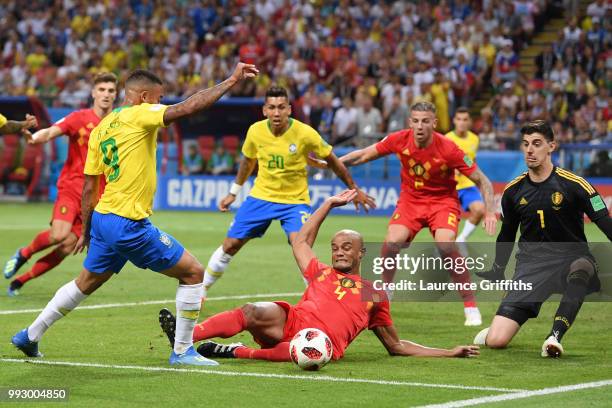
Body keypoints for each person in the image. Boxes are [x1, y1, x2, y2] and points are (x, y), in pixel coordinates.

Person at [10, 63, 259, 366]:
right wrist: (231, 80)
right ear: (143, 97)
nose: (160, 104)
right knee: (194, 273)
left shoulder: (102, 128)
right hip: (127, 222)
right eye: (158, 98)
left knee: (85, 282)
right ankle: (182, 351)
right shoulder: (141, 113)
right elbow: (189, 107)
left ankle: (30, 335)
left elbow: (90, 187)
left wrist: (88, 230)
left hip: (103, 217)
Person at [158, 190, 480, 362]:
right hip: (292, 322)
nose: (338, 252)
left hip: (321, 344)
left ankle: (238, 351)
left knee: (301, 349)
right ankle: (188, 336)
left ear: (360, 253)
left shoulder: (374, 293)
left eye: (346, 247)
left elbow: (396, 346)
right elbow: (300, 241)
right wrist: (327, 204)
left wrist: (448, 351)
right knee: (251, 311)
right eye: (336, 247)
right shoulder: (319, 272)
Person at [201, 86, 374, 301]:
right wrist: (233, 193)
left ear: (289, 109)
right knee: (230, 245)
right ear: (264, 110)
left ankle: (318, 302)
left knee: (302, 249)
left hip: (295, 202)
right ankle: (200, 291)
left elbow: (333, 161)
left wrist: (354, 189)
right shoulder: (255, 131)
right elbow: (247, 162)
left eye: (281, 107)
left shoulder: (305, 133)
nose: (276, 113)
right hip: (261, 197)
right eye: (272, 107)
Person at [339, 101, 498, 326]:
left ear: (434, 123)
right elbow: (363, 155)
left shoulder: (449, 149)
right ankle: (387, 289)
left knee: (446, 245)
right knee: (392, 241)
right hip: (410, 201)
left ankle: (470, 305)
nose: (420, 126)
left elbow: (482, 179)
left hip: (442, 202)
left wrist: (490, 211)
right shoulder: (398, 139)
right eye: (415, 121)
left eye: (425, 121)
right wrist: (332, 162)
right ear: (410, 122)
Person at [474, 120, 612, 357]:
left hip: (570, 259)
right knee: (496, 341)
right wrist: (497, 268)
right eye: (526, 144)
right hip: (531, 266)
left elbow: (604, 223)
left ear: (551, 146)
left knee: (582, 266)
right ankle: (495, 329)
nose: (530, 150)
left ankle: (554, 336)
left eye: (537, 144)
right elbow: (506, 234)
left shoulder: (576, 185)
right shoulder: (513, 192)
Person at [4, 72, 118, 296]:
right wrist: (35, 138)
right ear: (93, 93)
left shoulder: (119, 124)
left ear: (116, 95)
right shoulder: (79, 118)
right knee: (58, 234)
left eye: (111, 90)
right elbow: (51, 132)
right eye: (102, 90)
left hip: (97, 198)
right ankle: (24, 253)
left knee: (67, 247)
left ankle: (20, 281)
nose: (106, 94)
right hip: (72, 187)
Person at [445, 108, 486, 244]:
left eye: (465, 119)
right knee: (446, 225)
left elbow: (470, 160)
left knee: (479, 210)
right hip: (449, 186)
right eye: (459, 119)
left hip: (467, 185)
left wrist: (476, 177)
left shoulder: (474, 139)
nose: (462, 123)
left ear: (469, 122)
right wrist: (452, 167)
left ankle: (461, 240)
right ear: (454, 121)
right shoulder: (447, 139)